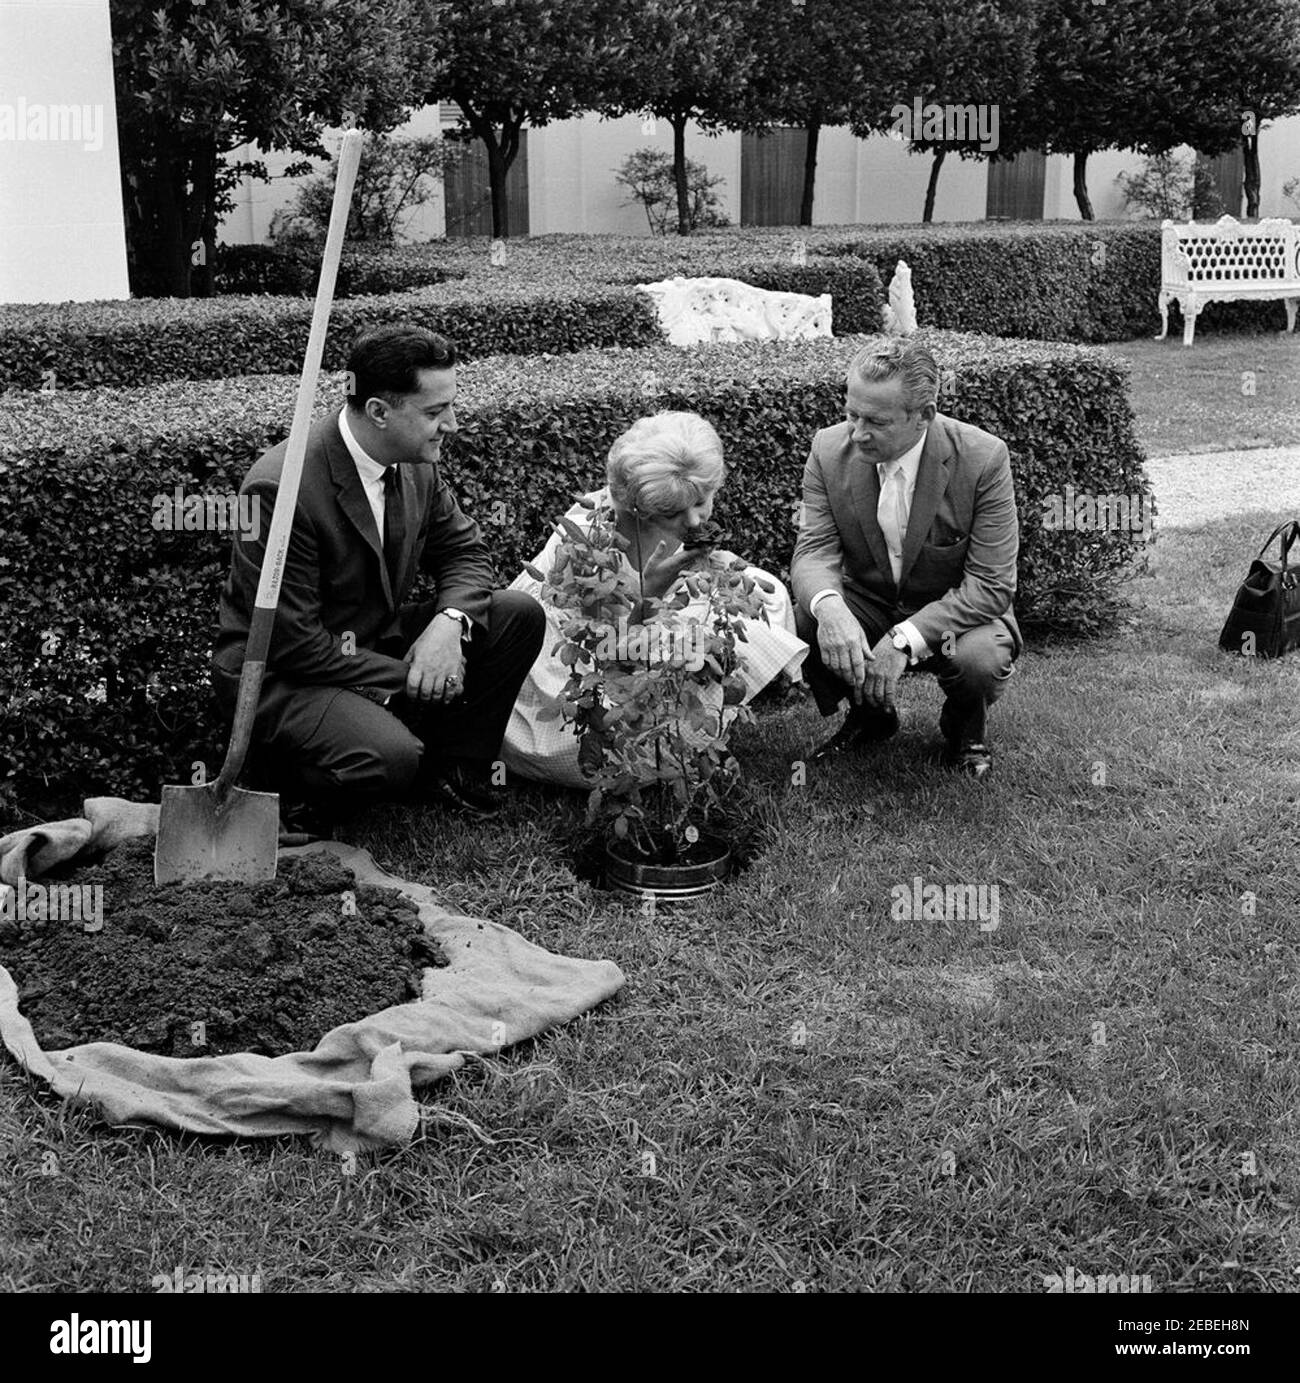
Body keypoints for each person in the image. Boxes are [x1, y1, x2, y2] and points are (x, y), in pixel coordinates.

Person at [212, 325, 545, 834]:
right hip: (285, 676)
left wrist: (449, 626)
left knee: (517, 615)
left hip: (369, 640)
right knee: (389, 755)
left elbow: (463, 550)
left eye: (449, 407)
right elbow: (294, 644)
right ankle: (296, 790)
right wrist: (420, 677)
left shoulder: (414, 463)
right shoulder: (280, 488)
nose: (451, 425)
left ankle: (449, 773)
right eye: (435, 413)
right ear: (378, 412)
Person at [502, 411, 807, 788]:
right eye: (674, 513)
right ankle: (674, 742)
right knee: (635, 733)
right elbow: (609, 655)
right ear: (638, 508)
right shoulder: (590, 543)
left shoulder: (669, 505)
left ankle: (693, 724)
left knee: (764, 591)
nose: (695, 522)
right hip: (583, 672)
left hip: (643, 634)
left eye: (702, 502)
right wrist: (653, 589)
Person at [791, 339, 1022, 779]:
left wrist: (904, 640)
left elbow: (990, 586)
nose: (857, 433)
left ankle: (964, 729)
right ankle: (871, 717)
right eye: (851, 414)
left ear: (925, 415)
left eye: (876, 421)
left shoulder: (984, 458)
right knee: (803, 621)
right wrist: (830, 607)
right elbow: (813, 551)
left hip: (956, 613)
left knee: (979, 659)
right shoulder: (827, 449)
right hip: (870, 602)